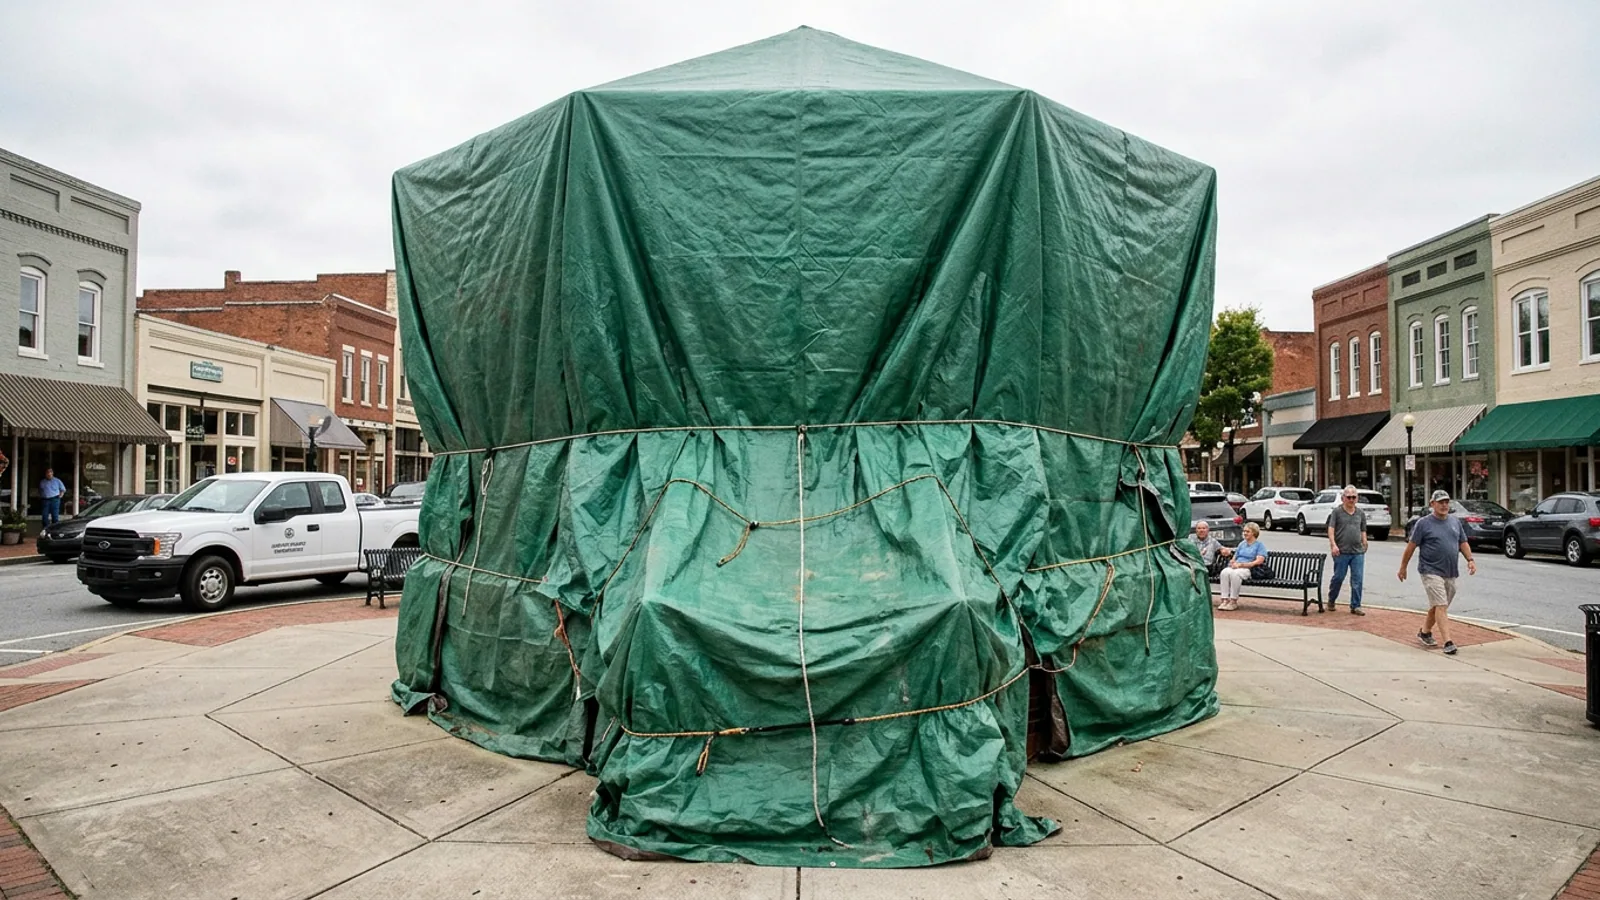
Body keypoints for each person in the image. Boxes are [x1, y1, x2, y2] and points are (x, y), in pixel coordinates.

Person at [1398, 489, 1477, 655]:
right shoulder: (1423, 524)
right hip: (1430, 570)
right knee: (1441, 605)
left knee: (1439, 605)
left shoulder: (1455, 522)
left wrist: (1470, 560)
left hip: (1450, 571)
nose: (1444, 505)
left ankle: (1425, 632)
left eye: (1446, 502)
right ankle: (1448, 642)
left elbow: (1462, 543)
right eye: (1440, 502)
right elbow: (1411, 547)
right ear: (1432, 504)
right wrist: (1403, 567)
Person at [1327, 484, 1368, 615]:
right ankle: (1331, 599)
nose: (1351, 500)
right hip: (1341, 551)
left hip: (1357, 552)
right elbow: (1331, 529)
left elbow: (1363, 529)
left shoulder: (1360, 513)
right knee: (1338, 577)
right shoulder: (1337, 512)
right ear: (1343, 498)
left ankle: (1356, 605)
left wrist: (1365, 541)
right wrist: (1333, 544)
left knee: (1357, 579)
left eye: (1353, 497)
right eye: (1349, 497)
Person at [1217, 521, 1268, 611]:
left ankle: (1233, 601)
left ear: (1254, 533)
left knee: (1235, 574)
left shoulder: (1259, 545)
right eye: (1244, 531)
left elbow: (1259, 561)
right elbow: (1235, 557)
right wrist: (1232, 563)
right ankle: (1224, 600)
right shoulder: (1242, 544)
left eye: (1247, 531)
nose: (1245, 533)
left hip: (1249, 569)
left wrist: (1243, 565)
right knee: (1224, 572)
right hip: (1237, 566)